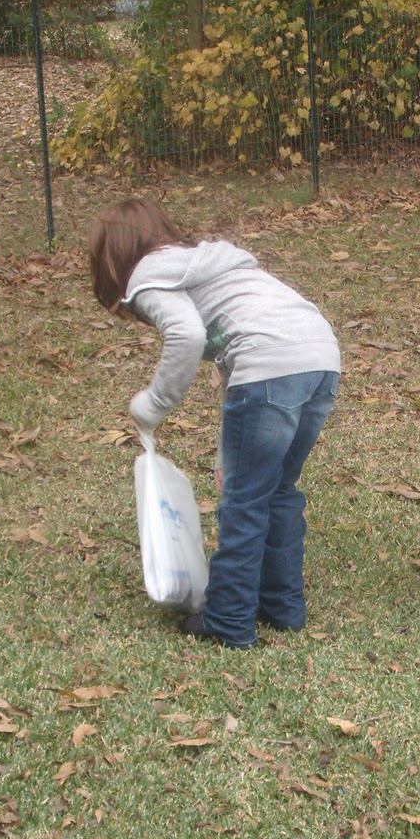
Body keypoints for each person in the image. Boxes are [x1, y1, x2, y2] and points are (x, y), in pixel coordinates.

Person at [88, 197, 341, 649]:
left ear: (114, 258)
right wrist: (229, 453)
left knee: (244, 503)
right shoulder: (208, 262)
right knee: (278, 489)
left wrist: (153, 404)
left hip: (270, 364)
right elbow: (232, 358)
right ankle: (282, 607)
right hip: (321, 358)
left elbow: (188, 335)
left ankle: (228, 620)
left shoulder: (147, 275)